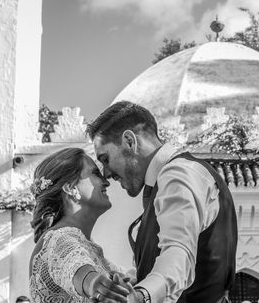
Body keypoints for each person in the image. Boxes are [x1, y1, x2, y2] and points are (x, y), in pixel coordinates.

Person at [88, 101, 238, 303]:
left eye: (105, 159)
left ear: (130, 142)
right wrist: (133, 282)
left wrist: (140, 296)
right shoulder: (165, 182)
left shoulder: (177, 174)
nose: (105, 174)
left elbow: (178, 253)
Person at [28, 147, 132, 303]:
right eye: (95, 174)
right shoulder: (58, 239)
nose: (106, 181)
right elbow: (75, 268)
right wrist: (93, 284)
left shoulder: (87, 246)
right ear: (70, 188)